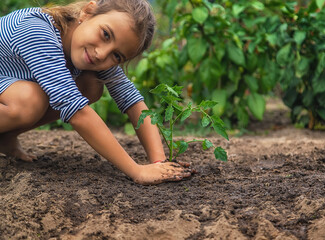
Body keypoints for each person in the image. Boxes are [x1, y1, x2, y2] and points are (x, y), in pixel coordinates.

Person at [0, 0, 194, 185]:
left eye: (116, 55)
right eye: (106, 35)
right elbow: (76, 111)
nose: (101, 53)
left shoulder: (92, 50)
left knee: (91, 85)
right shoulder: (37, 31)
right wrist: (137, 171)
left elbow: (132, 102)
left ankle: (5, 138)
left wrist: (158, 164)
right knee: (28, 100)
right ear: (88, 12)